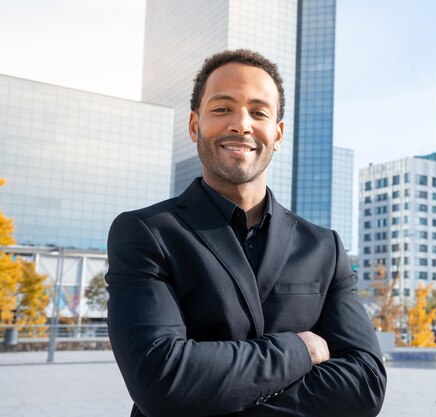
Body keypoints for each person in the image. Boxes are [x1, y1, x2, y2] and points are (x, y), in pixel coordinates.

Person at [106, 49, 386, 417]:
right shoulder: (146, 233)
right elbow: (162, 381)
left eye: (258, 112)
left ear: (278, 133)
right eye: (222, 108)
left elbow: (365, 384)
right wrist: (300, 350)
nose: (241, 124)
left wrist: (214, 394)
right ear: (195, 125)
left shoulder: (325, 248)